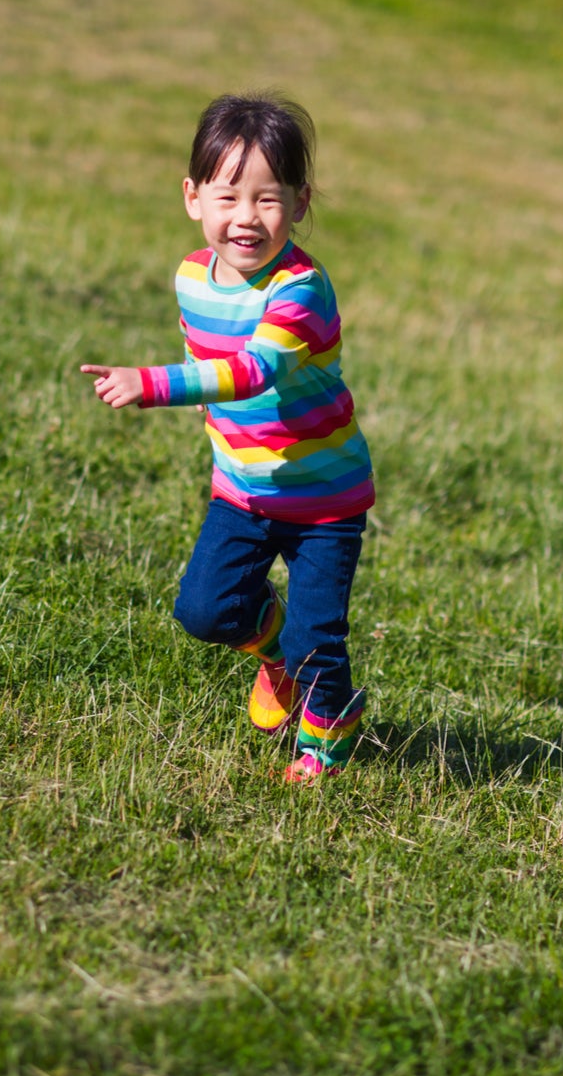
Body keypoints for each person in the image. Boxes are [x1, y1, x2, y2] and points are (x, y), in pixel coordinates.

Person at [81, 93, 375, 782]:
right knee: (205, 611)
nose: (246, 217)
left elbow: (253, 371)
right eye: (228, 196)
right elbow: (203, 355)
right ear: (192, 197)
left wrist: (154, 385)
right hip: (241, 488)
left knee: (317, 639)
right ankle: (272, 653)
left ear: (299, 203)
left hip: (323, 498)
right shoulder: (191, 276)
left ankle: (328, 729)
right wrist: (202, 409)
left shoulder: (299, 290)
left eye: (268, 199)